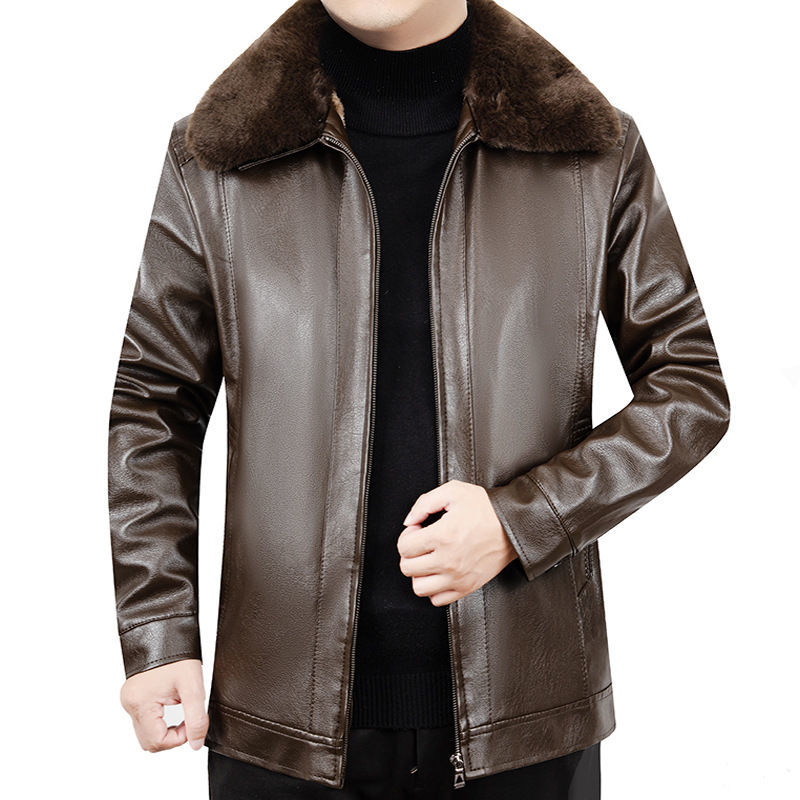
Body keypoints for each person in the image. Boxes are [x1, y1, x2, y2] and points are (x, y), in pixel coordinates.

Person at [108, 0, 731, 797]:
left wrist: (521, 521)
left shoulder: (590, 152)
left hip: (525, 726)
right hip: (280, 730)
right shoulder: (216, 159)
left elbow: (689, 385)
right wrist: (159, 632)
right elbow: (153, 402)